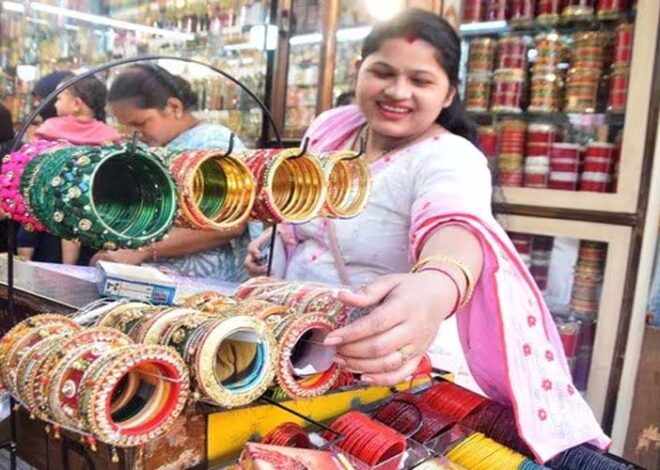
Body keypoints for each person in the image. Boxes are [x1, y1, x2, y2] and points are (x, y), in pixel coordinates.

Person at [244, 10, 608, 462]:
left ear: (449, 93)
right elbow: (306, 219)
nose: (397, 92)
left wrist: (436, 287)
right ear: (359, 69)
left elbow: (456, 230)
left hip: (391, 371)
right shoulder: (332, 133)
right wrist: (278, 243)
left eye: (420, 80)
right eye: (382, 72)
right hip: (300, 353)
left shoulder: (450, 159)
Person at [91, 63, 255, 282]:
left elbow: (229, 224)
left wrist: (142, 250)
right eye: (127, 127)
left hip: (202, 282)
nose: (135, 133)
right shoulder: (156, 146)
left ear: (173, 107)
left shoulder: (214, 143)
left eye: (140, 123)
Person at [34, 74, 122, 145]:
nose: (55, 104)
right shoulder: (108, 134)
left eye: (59, 99)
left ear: (76, 104)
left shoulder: (50, 127)